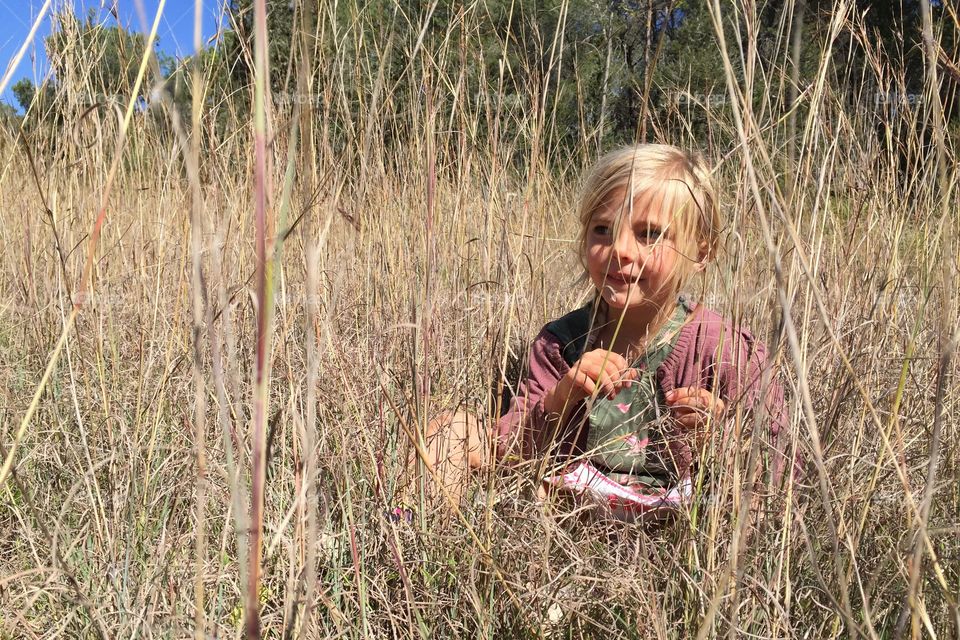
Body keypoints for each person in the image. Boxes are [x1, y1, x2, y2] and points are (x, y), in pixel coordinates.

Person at [398, 143, 791, 522]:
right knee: (454, 430)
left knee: (753, 491)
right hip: (571, 513)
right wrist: (562, 396)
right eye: (603, 229)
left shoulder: (725, 350)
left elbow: (780, 471)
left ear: (701, 252)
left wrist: (718, 437)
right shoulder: (561, 341)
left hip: (675, 524)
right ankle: (404, 536)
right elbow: (515, 445)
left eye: (649, 234)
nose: (619, 248)